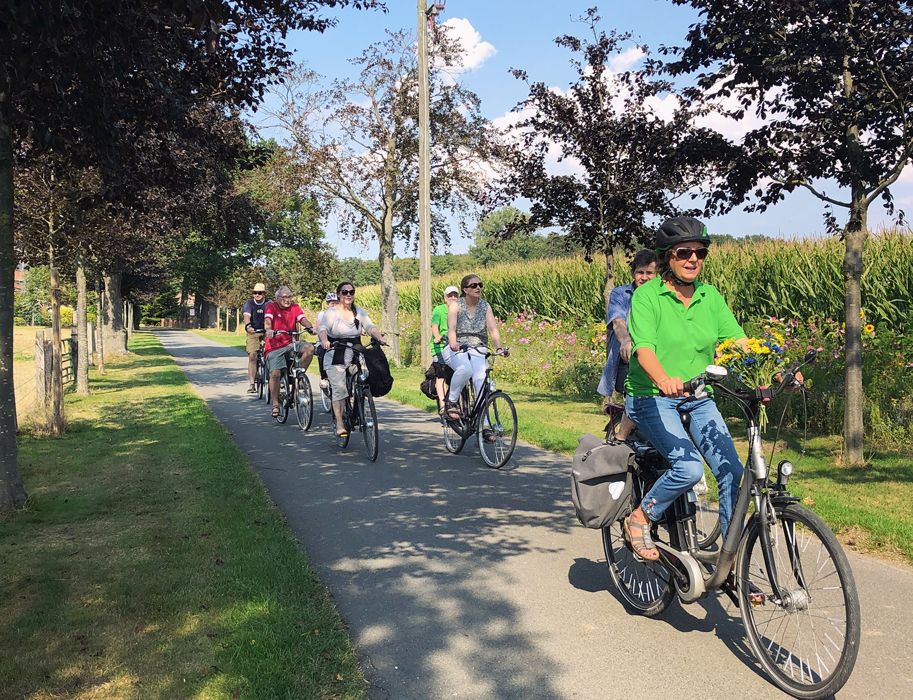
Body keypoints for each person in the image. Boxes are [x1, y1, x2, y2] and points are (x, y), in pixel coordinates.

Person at [622, 216, 746, 562]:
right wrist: (663, 378)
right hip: (653, 397)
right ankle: (641, 517)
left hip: (698, 397)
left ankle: (730, 561)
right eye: (684, 253)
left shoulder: (709, 296)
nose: (693, 259)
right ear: (667, 257)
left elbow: (737, 340)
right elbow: (643, 348)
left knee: (732, 472)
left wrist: (771, 368)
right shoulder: (648, 296)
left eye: (700, 253)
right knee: (689, 469)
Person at [597, 250, 657, 439]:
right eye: (640, 273)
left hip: (657, 358)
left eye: (650, 273)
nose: (645, 278)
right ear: (633, 274)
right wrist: (626, 340)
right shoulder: (621, 294)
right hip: (628, 360)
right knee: (637, 397)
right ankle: (621, 441)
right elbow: (618, 321)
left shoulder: (662, 297)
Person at [317, 281, 386, 438]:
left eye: (351, 292)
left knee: (366, 376)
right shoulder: (332, 313)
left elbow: (370, 327)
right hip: (336, 351)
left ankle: (360, 401)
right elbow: (322, 329)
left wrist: (379, 337)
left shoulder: (358, 312)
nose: (348, 295)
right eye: (345, 292)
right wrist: (324, 340)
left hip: (355, 350)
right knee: (339, 388)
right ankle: (340, 423)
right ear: (339, 294)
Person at [443, 274, 507, 426]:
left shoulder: (485, 306)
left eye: (480, 284)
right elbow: (451, 328)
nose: (478, 287)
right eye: (473, 285)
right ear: (465, 289)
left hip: (478, 347)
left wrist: (499, 347)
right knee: (465, 369)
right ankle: (451, 402)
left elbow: (492, 328)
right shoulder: (456, 305)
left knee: (480, 379)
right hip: (458, 347)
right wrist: (453, 342)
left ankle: (483, 425)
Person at [263, 286, 316, 418]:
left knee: (310, 348)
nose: (287, 300)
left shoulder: (295, 307)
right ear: (277, 298)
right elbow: (268, 320)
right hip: (274, 346)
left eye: (289, 297)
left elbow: (302, 319)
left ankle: (298, 375)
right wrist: (269, 330)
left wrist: (309, 327)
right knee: (275, 373)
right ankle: (275, 404)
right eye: (284, 297)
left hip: (291, 343)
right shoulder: (271, 307)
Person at [430, 285, 460, 415]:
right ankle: (442, 405)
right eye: (450, 295)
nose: (452, 298)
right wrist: (437, 336)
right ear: (445, 298)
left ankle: (457, 404)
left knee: (458, 374)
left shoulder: (460, 310)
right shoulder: (439, 309)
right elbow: (434, 325)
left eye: (455, 295)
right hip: (440, 345)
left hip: (455, 345)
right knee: (441, 375)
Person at [242, 282, 270, 393]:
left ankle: (275, 379)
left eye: (259, 293)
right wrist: (248, 326)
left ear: (264, 294)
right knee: (253, 355)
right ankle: (252, 384)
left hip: (267, 332)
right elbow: (246, 316)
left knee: (272, 353)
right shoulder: (249, 304)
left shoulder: (269, 303)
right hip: (253, 332)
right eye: (255, 293)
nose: (257, 295)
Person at [315, 292, 339, 390]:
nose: (334, 305)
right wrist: (323, 341)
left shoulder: (341, 314)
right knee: (322, 352)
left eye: (336, 303)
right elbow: (319, 327)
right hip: (325, 341)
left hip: (338, 341)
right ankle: (324, 377)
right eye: (331, 303)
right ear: (327, 304)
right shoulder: (322, 314)